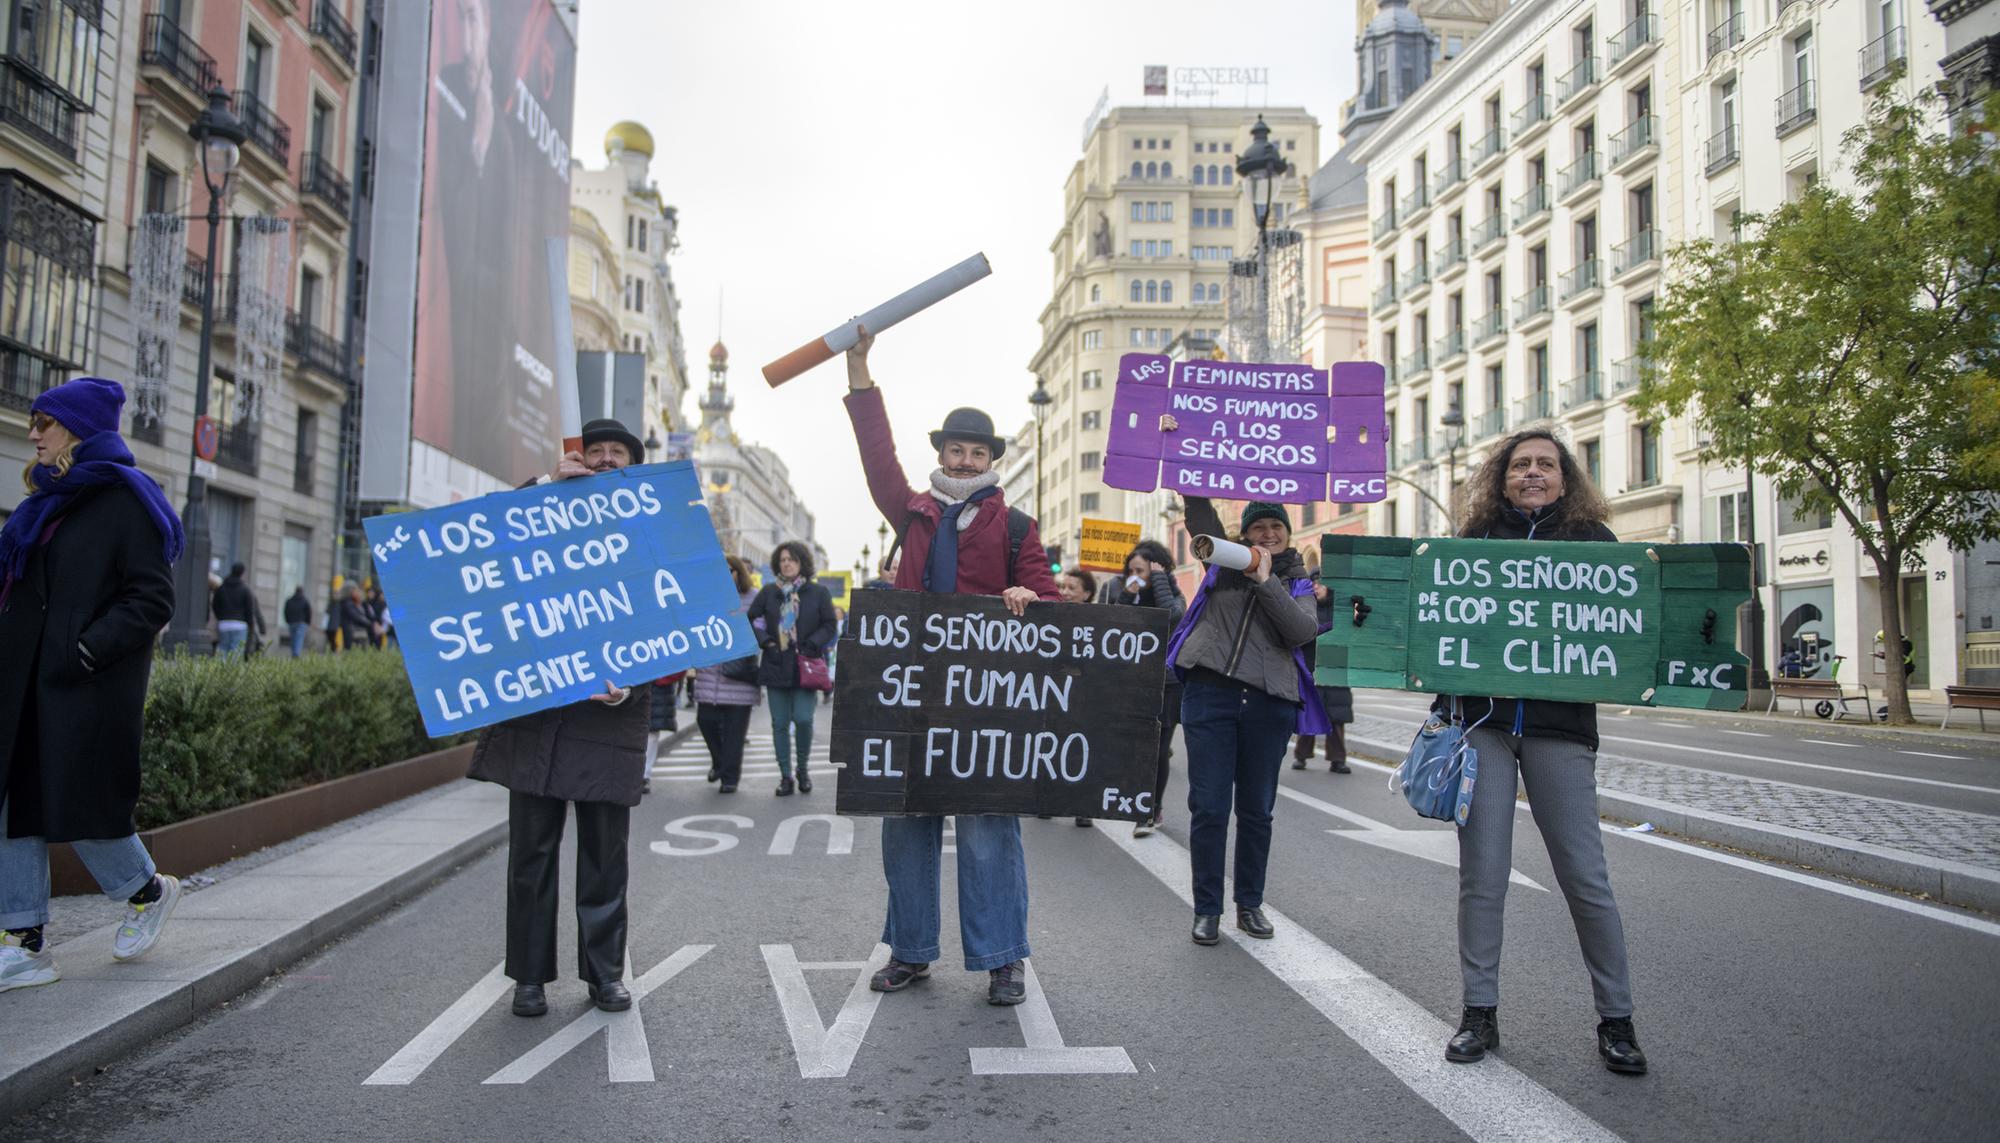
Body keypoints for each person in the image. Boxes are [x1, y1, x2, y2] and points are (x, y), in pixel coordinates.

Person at [844, 325, 1060, 1007]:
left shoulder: (1018, 526)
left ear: (990, 459)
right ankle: (910, 948)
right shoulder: (910, 511)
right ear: (939, 453)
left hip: (985, 704)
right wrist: (858, 367)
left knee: (989, 830)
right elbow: (876, 454)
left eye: (976, 452)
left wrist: (1029, 595)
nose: (964, 461)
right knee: (905, 823)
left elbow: (1052, 605)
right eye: (954, 450)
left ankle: (1003, 956)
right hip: (911, 695)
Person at [1437, 428, 1646, 1076]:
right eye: (1520, 464)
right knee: (1483, 876)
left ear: (1566, 478)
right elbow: (1439, 624)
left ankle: (1617, 1020)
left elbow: (1626, 630)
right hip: (1487, 727)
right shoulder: (1474, 544)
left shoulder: (1596, 545)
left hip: (1561, 730)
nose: (1533, 473)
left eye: (1546, 465)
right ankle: (1479, 1011)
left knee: (1586, 878)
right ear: (1500, 477)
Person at [1, 379, 185, 992]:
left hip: (86, 683)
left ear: (77, 431)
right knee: (14, 801)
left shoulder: (128, 500)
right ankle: (23, 940)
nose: (33, 434)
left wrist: (85, 650)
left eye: (44, 423)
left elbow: (153, 598)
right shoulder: (43, 504)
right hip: (25, 680)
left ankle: (147, 891)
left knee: (77, 804)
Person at [466, 418, 653, 1018]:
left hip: (607, 723)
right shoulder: (541, 507)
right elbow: (487, 536)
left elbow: (672, 621)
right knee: (531, 857)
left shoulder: (652, 530)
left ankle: (605, 976)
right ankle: (528, 977)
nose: (603, 459)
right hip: (540, 719)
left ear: (634, 465)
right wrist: (548, 484)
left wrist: (628, 689)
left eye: (615, 452)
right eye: (592, 451)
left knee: (605, 859)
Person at [1165, 497, 1324, 947]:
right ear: (1245, 533)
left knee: (1257, 811)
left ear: (1288, 534)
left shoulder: (1298, 581)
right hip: (1209, 695)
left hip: (1268, 702)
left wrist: (1265, 579)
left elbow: (1299, 631)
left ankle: (1249, 904)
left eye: (1277, 527)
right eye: (1259, 528)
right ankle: (1207, 910)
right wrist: (1185, 462)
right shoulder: (1221, 561)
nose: (1268, 534)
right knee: (1210, 807)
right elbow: (1199, 516)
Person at [747, 540, 837, 797]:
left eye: (792, 560)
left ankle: (803, 769)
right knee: (779, 723)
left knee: (804, 719)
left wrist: (812, 644)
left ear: (802, 564)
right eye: (783, 560)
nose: (786, 564)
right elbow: (752, 620)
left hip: (805, 666)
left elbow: (829, 625)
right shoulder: (768, 592)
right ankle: (785, 775)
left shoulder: (817, 593)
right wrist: (767, 642)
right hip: (776, 663)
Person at [1113, 540, 1187, 837]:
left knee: (1157, 750)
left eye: (1141, 571)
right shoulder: (1128, 595)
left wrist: (1159, 581)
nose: (1134, 576)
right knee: (1136, 747)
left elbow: (1171, 617)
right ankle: (1133, 801)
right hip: (1132, 682)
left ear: (1157, 570)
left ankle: (1149, 810)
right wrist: (1125, 595)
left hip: (1166, 684)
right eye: (1130, 570)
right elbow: (1112, 625)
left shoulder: (1174, 595)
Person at [695, 556, 762, 794]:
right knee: (705, 721)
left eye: (728, 571)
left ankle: (729, 779)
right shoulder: (703, 598)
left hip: (739, 676)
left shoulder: (753, 597)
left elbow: (762, 629)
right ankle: (719, 763)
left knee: (734, 735)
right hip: (709, 675)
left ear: (738, 573)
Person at [1293, 545, 1353, 774]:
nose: (1317, 587)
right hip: (1311, 668)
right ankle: (1301, 755)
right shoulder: (1306, 607)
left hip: (1335, 669)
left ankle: (1337, 758)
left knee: (1336, 717)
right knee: (1308, 714)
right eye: (1314, 583)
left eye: (1321, 583)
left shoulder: (1341, 609)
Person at [1056, 568, 1100, 828]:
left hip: (1085, 694)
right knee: (1051, 745)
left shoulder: (1099, 620)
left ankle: (1084, 806)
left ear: (1087, 593)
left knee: (1082, 749)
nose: (1065, 592)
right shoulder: (1051, 615)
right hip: (1055, 691)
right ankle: (1047, 800)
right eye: (1063, 586)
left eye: (1072, 588)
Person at [211, 562, 264, 658]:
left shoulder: (221, 588)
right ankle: (232, 673)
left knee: (223, 651)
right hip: (240, 625)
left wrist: (221, 617)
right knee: (236, 652)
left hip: (224, 624)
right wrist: (251, 625)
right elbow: (249, 610)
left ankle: (220, 672)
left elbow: (215, 605)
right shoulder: (245, 589)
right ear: (242, 573)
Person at [338, 584, 373, 651]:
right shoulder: (348, 603)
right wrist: (370, 623)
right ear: (349, 591)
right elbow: (357, 617)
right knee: (352, 651)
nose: (357, 592)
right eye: (355, 590)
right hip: (352, 632)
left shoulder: (354, 602)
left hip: (355, 632)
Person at [283, 585, 312, 657]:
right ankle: (296, 653)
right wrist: (308, 622)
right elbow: (309, 612)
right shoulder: (305, 601)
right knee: (299, 639)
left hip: (291, 623)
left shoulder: (289, 600)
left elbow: (286, 611)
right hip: (301, 623)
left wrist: (287, 620)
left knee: (293, 639)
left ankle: (294, 652)